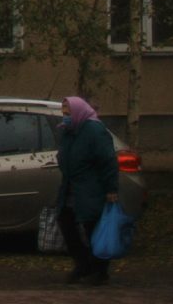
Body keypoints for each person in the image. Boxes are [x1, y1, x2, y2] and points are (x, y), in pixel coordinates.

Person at [56, 94, 120, 285]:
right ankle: (83, 263)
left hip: (91, 189)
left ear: (77, 111)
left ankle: (100, 270)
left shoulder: (94, 130)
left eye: (68, 112)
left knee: (93, 228)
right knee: (66, 222)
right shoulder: (69, 130)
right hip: (71, 187)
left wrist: (111, 189)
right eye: (64, 112)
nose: (65, 116)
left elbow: (108, 161)